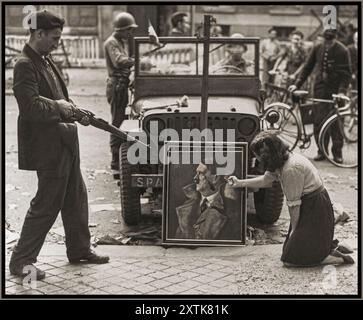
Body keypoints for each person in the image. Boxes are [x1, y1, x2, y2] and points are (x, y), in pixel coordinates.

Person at [9, 10, 109, 280]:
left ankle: (79, 249)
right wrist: (61, 107)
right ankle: (21, 261)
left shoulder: (45, 59)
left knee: (75, 198)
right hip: (48, 147)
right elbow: (30, 107)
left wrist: (75, 111)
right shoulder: (24, 65)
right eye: (53, 37)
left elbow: (58, 99)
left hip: (65, 141)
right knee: (47, 203)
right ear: (38, 34)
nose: (57, 42)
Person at [228, 131, 354, 267]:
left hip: (315, 208)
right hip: (312, 205)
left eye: (257, 155)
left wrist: (295, 232)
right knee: (291, 252)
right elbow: (266, 180)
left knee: (290, 261)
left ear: (267, 157)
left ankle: (332, 257)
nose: (256, 158)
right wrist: (240, 183)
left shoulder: (291, 169)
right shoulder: (281, 159)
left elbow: (294, 206)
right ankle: (326, 246)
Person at [288, 29, 351, 164]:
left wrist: (342, 91)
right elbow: (307, 67)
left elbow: (346, 74)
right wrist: (297, 84)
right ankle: (322, 151)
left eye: (330, 41)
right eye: (325, 41)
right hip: (320, 90)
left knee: (336, 124)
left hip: (336, 91)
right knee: (319, 122)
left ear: (335, 38)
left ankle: (337, 153)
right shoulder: (317, 48)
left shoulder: (343, 50)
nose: (327, 44)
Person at [104, 12, 138, 172]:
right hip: (117, 85)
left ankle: (118, 157)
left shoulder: (119, 42)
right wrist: (136, 60)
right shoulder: (111, 42)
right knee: (117, 122)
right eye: (128, 30)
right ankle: (115, 159)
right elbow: (118, 62)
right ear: (121, 29)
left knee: (123, 120)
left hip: (121, 84)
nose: (130, 34)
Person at [175, 163, 240, 240]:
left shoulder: (231, 210)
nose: (195, 178)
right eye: (196, 173)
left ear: (215, 178)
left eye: (201, 174)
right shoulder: (187, 206)